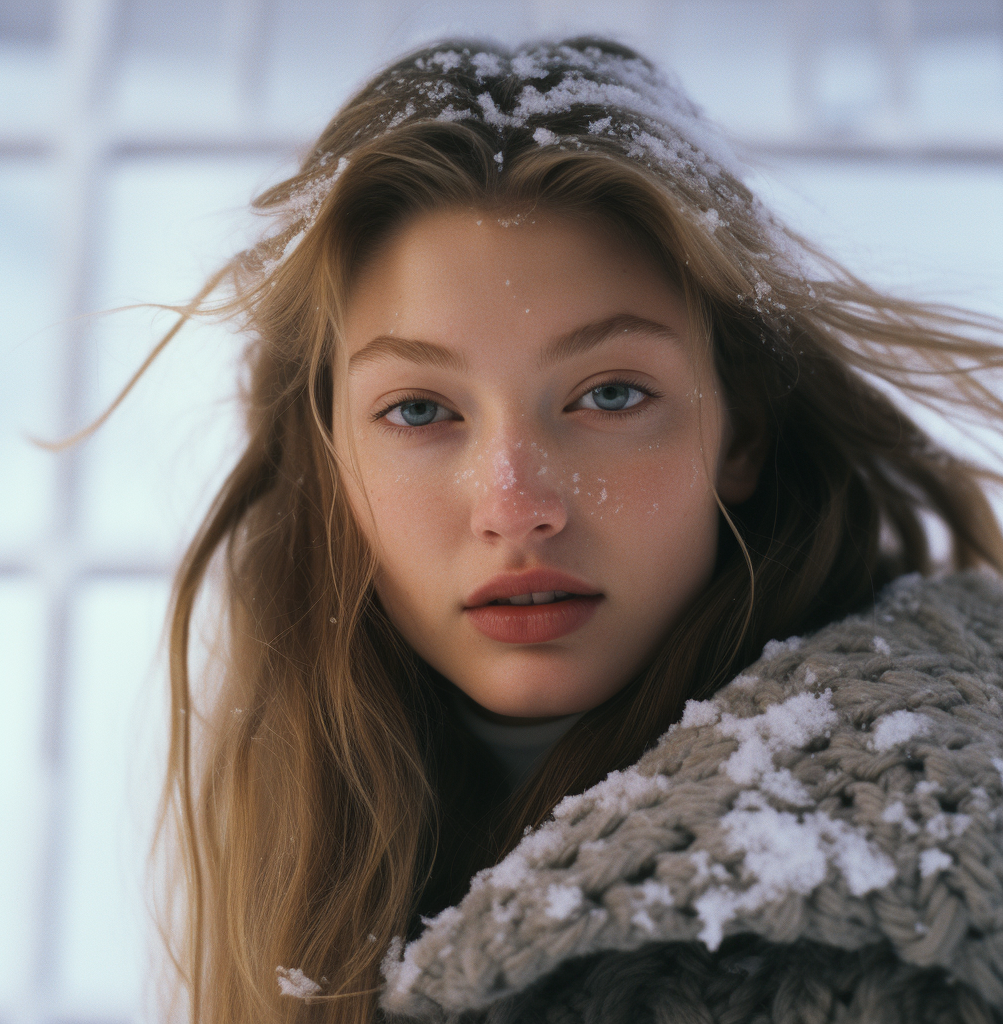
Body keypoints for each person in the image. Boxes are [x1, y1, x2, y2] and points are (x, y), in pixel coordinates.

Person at [136, 37, 1003, 1024]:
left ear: (741, 428)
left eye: (610, 394)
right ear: (326, 452)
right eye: (420, 410)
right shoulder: (318, 803)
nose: (514, 502)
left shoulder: (882, 934)